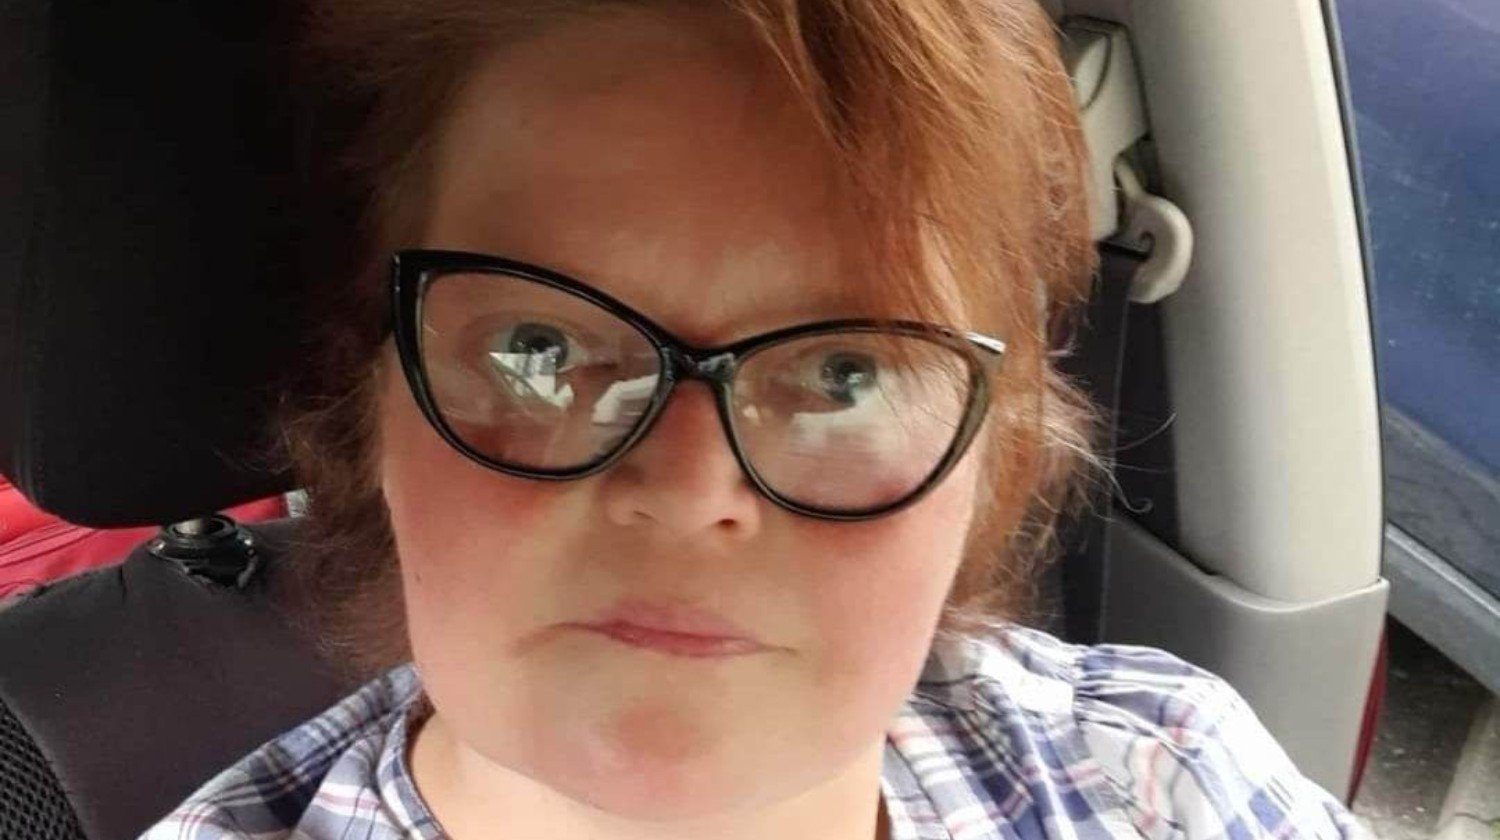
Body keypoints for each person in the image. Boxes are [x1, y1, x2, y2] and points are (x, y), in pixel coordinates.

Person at [144, 1, 1367, 838]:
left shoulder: (1159, 780)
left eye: (844, 375)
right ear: (366, 413)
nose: (689, 492)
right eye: (540, 349)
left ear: (993, 457)